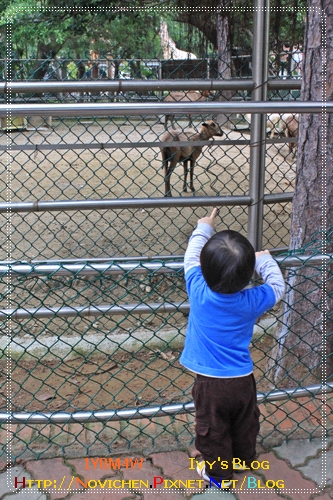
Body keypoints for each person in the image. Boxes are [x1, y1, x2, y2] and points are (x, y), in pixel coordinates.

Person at [180, 208, 285, 488]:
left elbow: (190, 257)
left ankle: (219, 477)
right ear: (247, 274)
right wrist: (264, 261)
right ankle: (243, 458)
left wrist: (204, 228)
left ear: (205, 269)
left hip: (210, 384)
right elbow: (277, 287)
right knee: (245, 422)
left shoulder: (198, 290)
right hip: (242, 378)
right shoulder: (252, 300)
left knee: (212, 429)